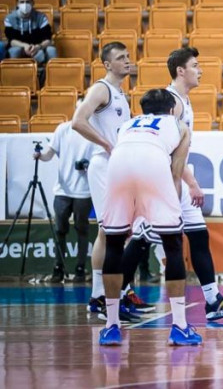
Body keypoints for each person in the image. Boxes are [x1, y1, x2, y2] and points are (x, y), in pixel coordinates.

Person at [97, 89, 200, 346]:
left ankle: (111, 326)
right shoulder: (179, 125)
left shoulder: (127, 125)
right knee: (173, 246)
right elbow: (176, 172)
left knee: (114, 245)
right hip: (153, 164)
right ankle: (180, 326)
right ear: (172, 109)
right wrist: (172, 213)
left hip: (117, 166)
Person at [165, 47, 223, 320]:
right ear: (181, 71)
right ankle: (112, 297)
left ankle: (213, 301)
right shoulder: (172, 102)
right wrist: (192, 183)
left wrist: (189, 181)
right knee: (141, 241)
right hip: (165, 181)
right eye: (195, 66)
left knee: (199, 236)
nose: (200, 71)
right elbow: (169, 152)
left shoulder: (184, 100)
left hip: (178, 178)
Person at [71, 42, 146, 323]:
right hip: (104, 165)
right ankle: (99, 296)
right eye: (121, 57)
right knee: (108, 231)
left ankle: (109, 294)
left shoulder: (119, 93)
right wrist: (107, 144)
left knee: (117, 231)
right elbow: (77, 121)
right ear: (106, 64)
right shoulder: (101, 89)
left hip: (118, 166)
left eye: (128, 56)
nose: (127, 61)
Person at [36, 116, 94, 283]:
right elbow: (49, 153)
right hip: (63, 189)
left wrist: (88, 165)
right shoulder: (63, 129)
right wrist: (40, 156)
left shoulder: (94, 132)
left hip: (84, 190)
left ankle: (80, 269)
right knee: (59, 230)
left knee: (82, 229)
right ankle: (58, 268)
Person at [4, 0, 57, 65]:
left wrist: (38, 47)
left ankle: (48, 71)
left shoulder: (41, 17)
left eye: (28, 2)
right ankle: (14, 71)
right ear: (17, 4)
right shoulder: (10, 18)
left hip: (37, 46)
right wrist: (25, 46)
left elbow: (48, 39)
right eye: (22, 2)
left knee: (51, 50)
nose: (25, 5)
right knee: (14, 51)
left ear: (33, 3)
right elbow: (12, 41)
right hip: (19, 46)